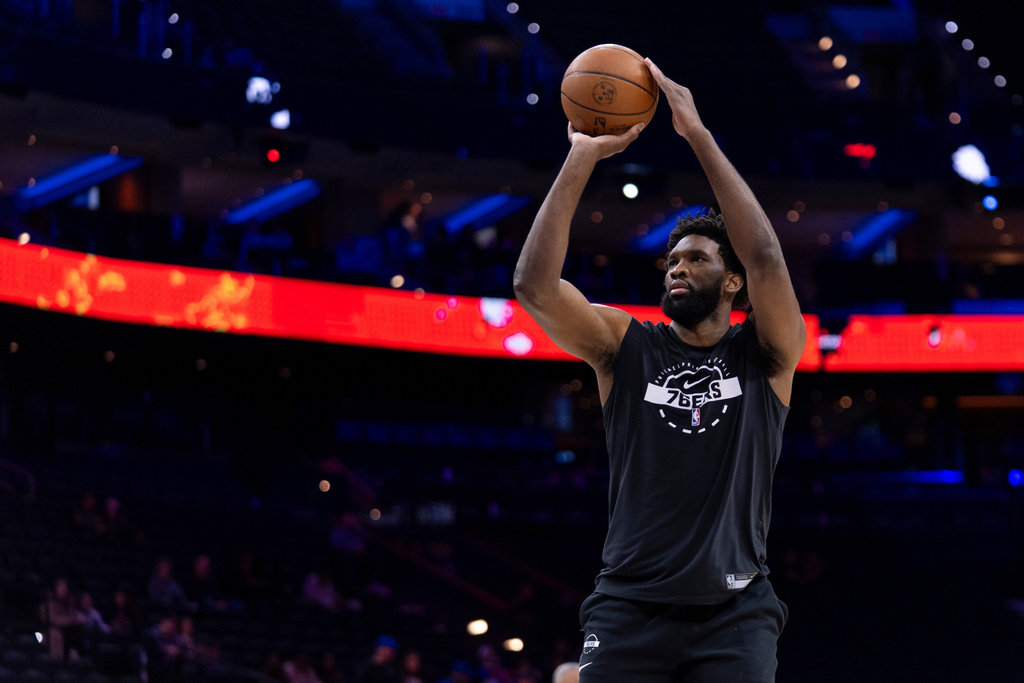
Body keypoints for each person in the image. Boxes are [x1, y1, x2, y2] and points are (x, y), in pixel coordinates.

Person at [513, 58, 804, 682]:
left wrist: (697, 135)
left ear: (733, 282)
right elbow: (534, 287)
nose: (676, 268)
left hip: (735, 612)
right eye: (671, 261)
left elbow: (765, 255)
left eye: (696, 259)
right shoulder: (625, 345)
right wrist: (581, 156)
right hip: (629, 606)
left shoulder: (767, 353)